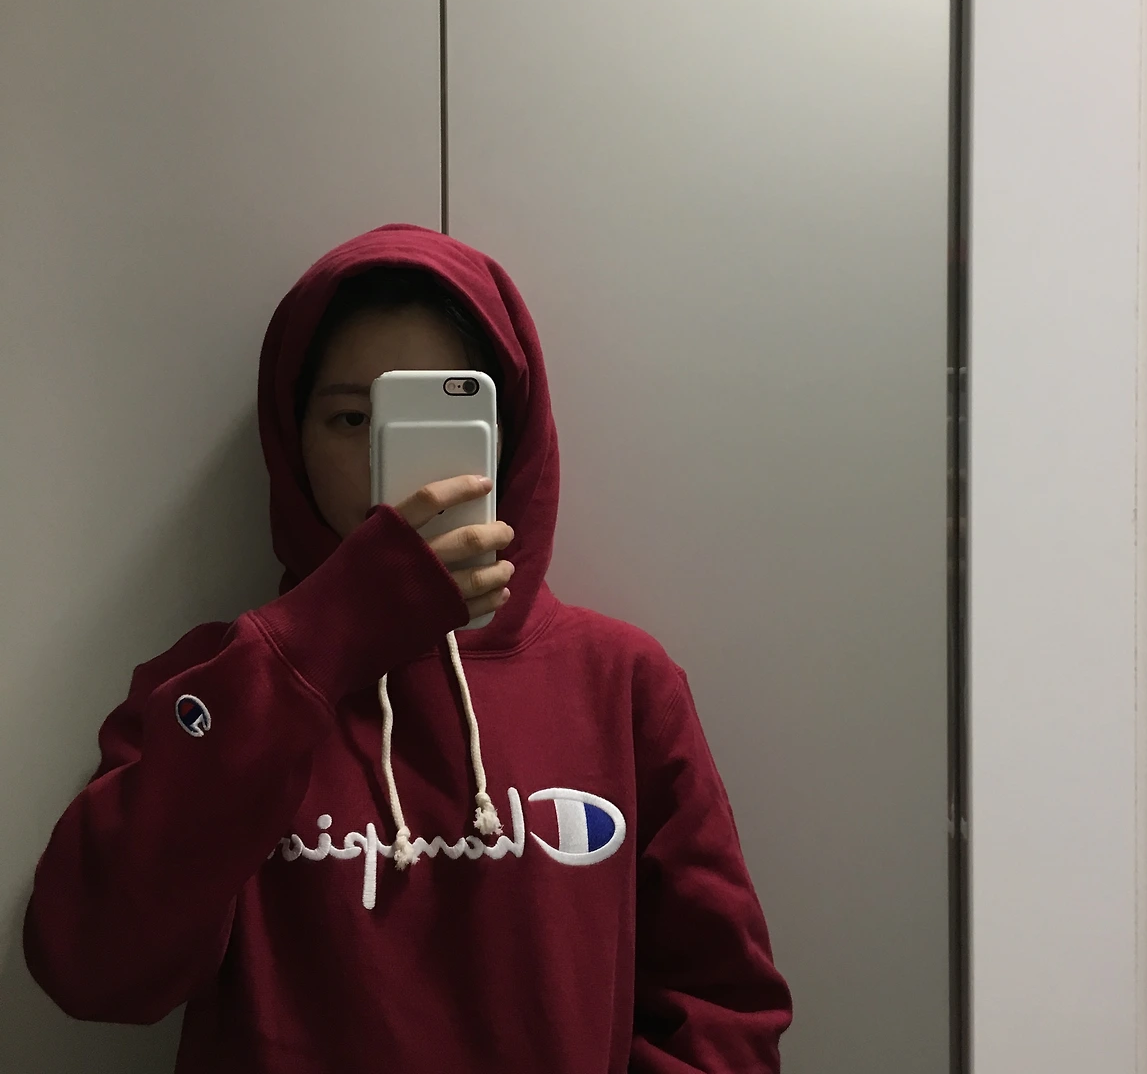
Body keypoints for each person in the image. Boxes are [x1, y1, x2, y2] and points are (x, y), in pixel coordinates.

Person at [24, 223, 792, 1072]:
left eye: (444, 415)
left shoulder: (620, 682)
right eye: (352, 417)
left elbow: (721, 1010)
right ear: (291, 438)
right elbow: (91, 967)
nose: (392, 464)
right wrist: (318, 642)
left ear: (513, 437)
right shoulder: (219, 679)